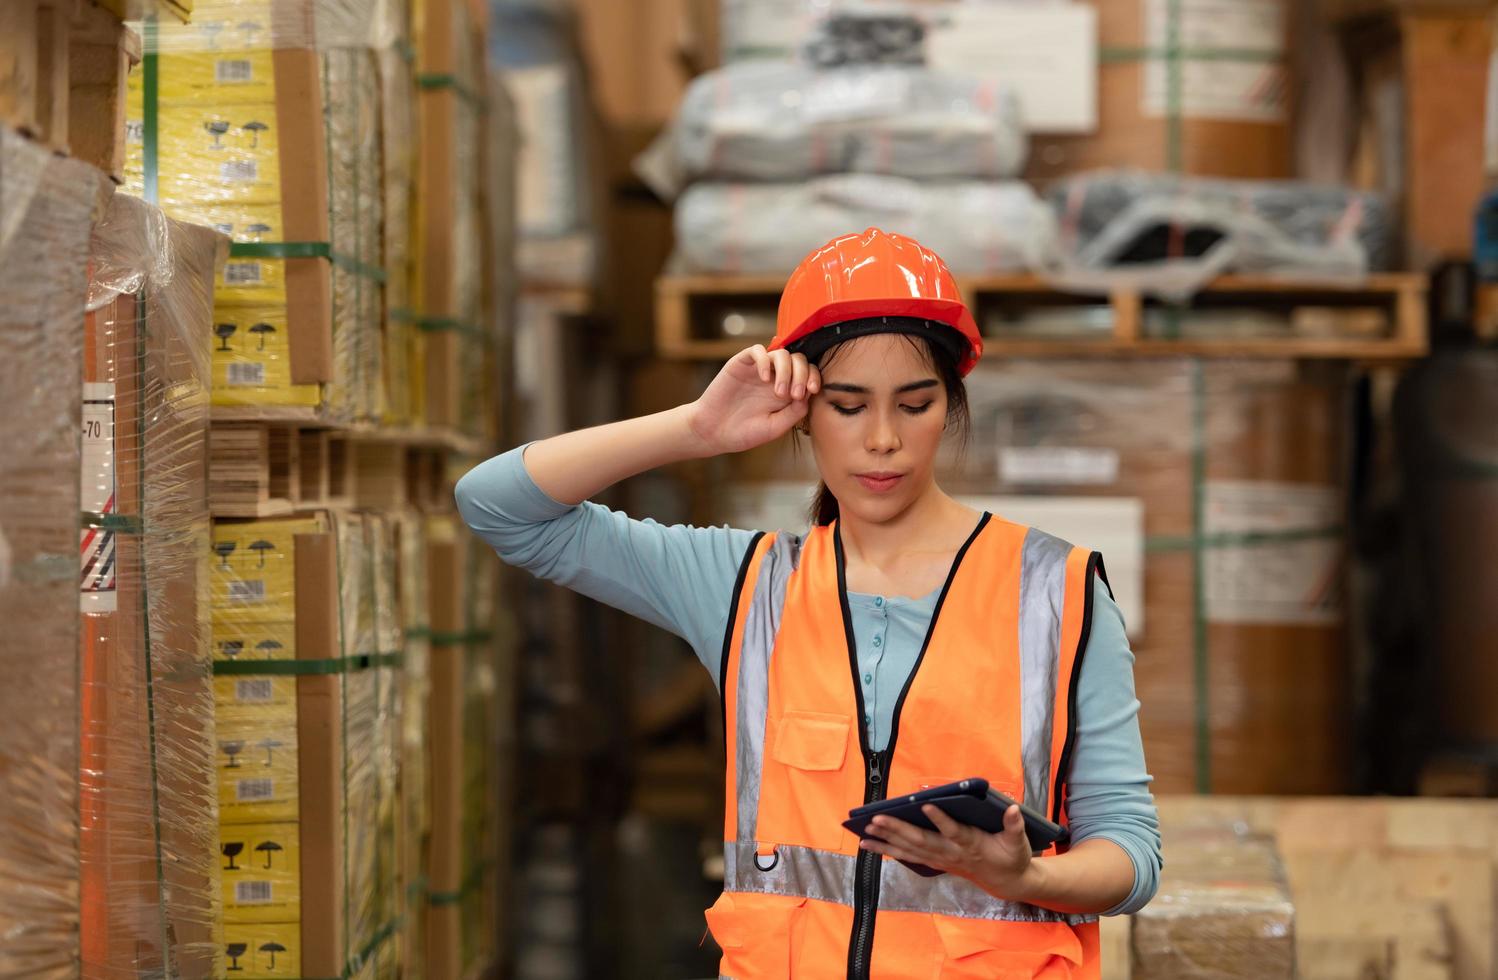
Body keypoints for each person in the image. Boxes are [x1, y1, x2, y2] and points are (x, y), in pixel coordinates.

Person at [457, 229, 1161, 978]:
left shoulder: (1057, 592)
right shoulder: (746, 586)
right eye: (849, 406)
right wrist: (696, 428)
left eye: (915, 404)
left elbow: (1131, 854)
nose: (883, 439)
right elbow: (498, 506)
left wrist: (1026, 879)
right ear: (802, 408)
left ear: (951, 403)